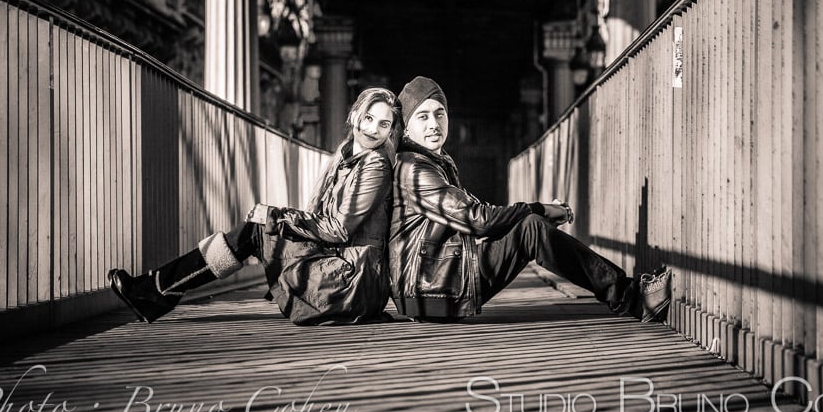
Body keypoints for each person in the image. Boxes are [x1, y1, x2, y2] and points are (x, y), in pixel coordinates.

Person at [108, 87, 402, 325]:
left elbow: (338, 229)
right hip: (346, 276)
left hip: (353, 283)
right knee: (256, 229)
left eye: (384, 124)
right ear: (355, 116)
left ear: (390, 132)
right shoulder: (345, 159)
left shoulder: (374, 164)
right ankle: (156, 290)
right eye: (369, 118)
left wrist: (277, 215)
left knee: (257, 230)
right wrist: (276, 218)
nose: (373, 129)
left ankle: (156, 291)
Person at [388, 76, 637, 320]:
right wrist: (537, 209)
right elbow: (477, 220)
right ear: (407, 127)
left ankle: (625, 293)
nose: (434, 123)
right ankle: (630, 296)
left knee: (530, 227)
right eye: (423, 116)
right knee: (532, 230)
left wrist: (535, 213)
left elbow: (478, 212)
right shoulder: (414, 168)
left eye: (439, 113)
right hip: (431, 288)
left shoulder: (433, 162)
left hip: (435, 282)